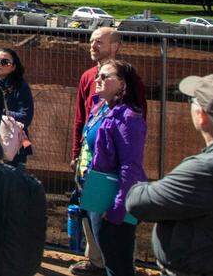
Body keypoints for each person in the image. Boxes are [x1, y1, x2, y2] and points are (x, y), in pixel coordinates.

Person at [126, 74, 213, 276]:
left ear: (202, 115)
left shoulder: (208, 169)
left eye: (192, 101)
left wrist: (137, 187)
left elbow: (138, 202)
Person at [69, 28, 147, 276]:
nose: (97, 81)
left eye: (99, 41)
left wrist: (117, 206)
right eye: (90, 41)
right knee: (101, 239)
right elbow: (81, 123)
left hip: (113, 190)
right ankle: (95, 261)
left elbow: (130, 164)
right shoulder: (99, 105)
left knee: (117, 253)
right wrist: (77, 156)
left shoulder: (128, 116)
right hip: (93, 180)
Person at [0, 48, 34, 166]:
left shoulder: (21, 87)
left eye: (5, 62)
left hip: (14, 144)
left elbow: (25, 117)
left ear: (13, 67)